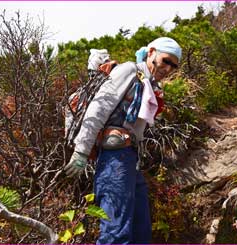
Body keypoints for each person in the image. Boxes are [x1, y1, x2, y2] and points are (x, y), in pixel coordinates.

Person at [64, 37, 182, 244]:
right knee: (115, 233)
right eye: (166, 60)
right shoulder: (128, 71)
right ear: (152, 52)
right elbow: (98, 109)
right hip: (114, 160)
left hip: (129, 160)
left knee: (140, 230)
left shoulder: (149, 84)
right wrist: (81, 151)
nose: (169, 68)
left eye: (174, 65)